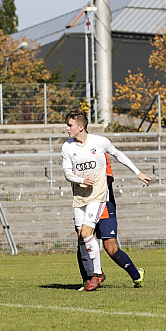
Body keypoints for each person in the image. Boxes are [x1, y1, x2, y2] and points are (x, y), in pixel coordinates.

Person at [62, 110, 150, 292]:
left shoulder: (100, 144)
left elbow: (116, 159)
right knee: (83, 238)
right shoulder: (68, 147)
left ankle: (133, 274)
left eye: (70, 125)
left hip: (103, 199)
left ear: (81, 126)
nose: (67, 128)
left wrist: (137, 172)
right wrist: (81, 180)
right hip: (81, 199)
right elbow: (67, 173)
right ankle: (90, 278)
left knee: (109, 247)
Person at [76, 154, 145, 290]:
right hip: (84, 202)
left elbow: (108, 178)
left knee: (111, 248)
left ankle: (137, 275)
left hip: (104, 203)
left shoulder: (100, 152)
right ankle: (88, 279)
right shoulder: (74, 153)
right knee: (82, 241)